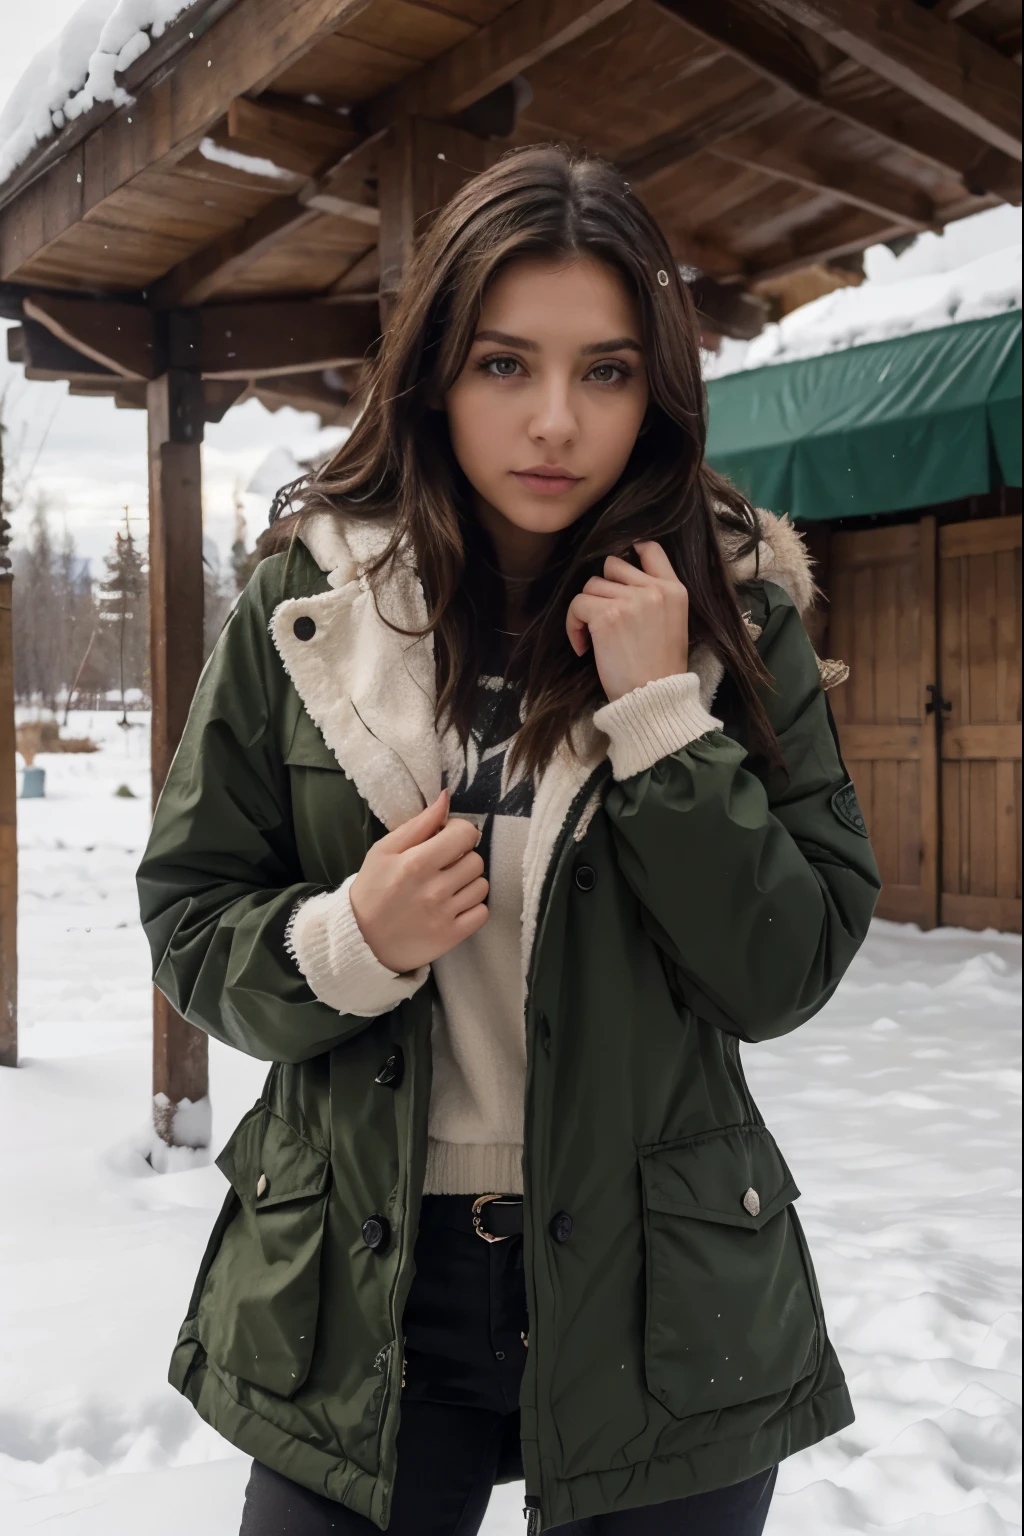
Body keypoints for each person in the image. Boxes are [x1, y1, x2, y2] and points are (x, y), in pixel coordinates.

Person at [136, 145, 880, 1536]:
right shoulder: (305, 613)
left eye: (604, 370)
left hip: (662, 1294)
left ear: (655, 385)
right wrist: (348, 939)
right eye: (503, 365)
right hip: (362, 1292)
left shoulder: (738, 621)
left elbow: (786, 965)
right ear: (433, 372)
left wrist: (663, 716)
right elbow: (190, 919)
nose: (555, 421)